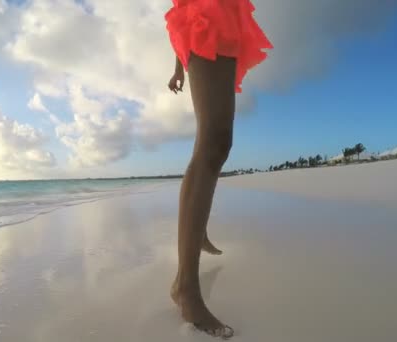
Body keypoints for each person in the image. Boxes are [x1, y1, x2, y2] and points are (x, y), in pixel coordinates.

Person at [165, 0, 273, 339]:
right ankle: (186, 289)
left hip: (225, 14)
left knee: (218, 142)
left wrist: (179, 65)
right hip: (206, 13)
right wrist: (180, 62)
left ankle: (198, 234)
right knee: (213, 140)